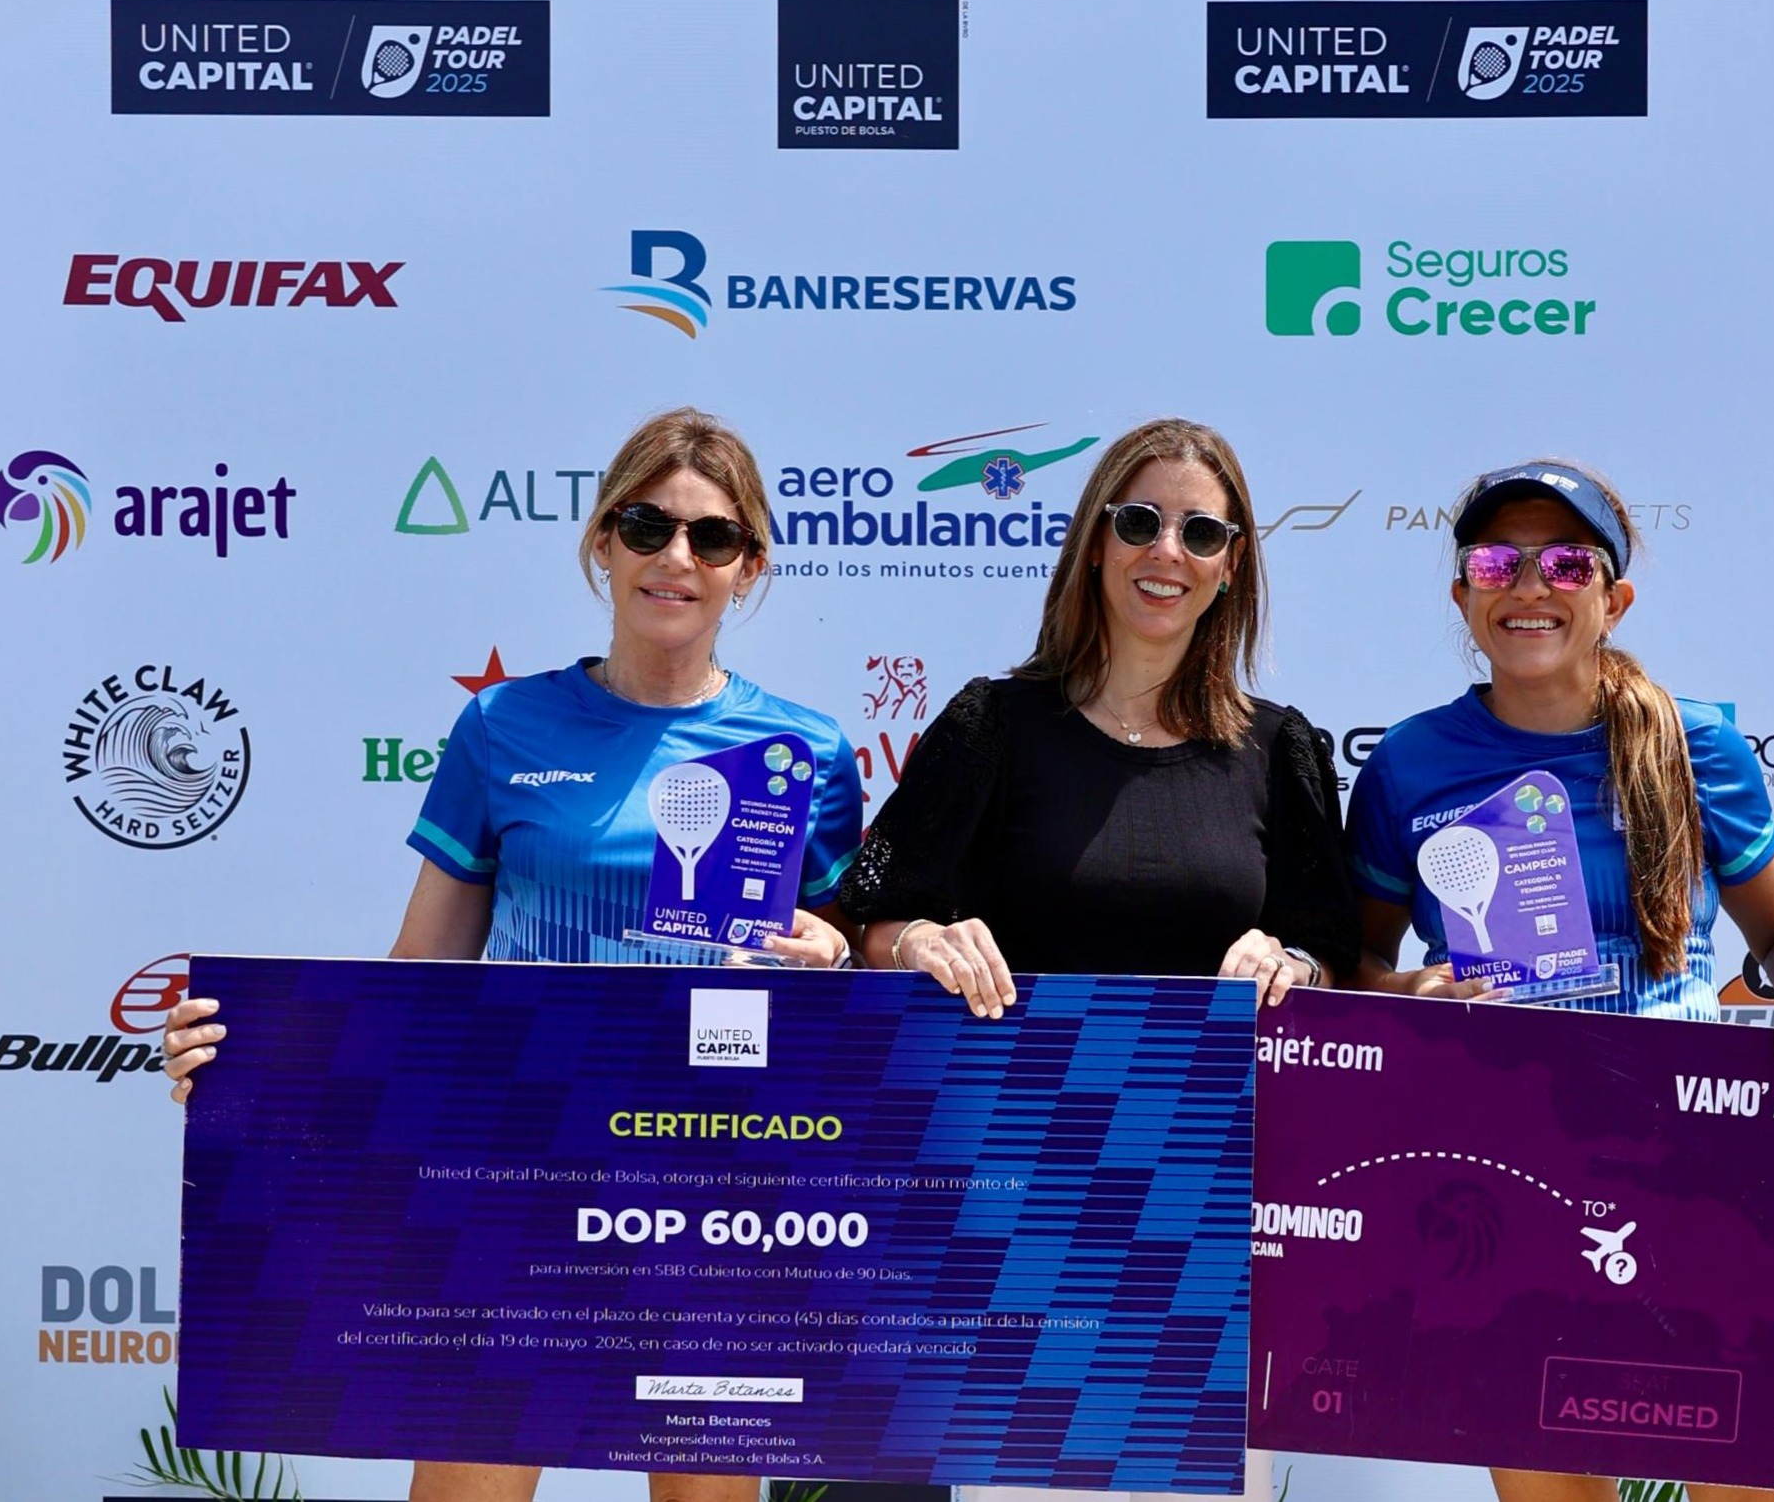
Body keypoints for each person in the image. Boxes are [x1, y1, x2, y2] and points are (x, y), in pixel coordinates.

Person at [163, 407, 865, 1502]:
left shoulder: (804, 750)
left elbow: (844, 985)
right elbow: (420, 970)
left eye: (712, 536)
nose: (676, 557)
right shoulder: (503, 726)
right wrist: (249, 1065)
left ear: (750, 566)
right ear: (602, 541)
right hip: (513, 1168)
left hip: (711, 1182)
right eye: (647, 525)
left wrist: (832, 954)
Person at [839, 415, 1357, 1502]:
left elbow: (1337, 956)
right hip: (999, 1217)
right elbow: (865, 917)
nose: (1167, 551)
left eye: (1201, 532)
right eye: (1139, 521)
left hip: (1206, 1228)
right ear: (1093, 539)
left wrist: (1292, 963)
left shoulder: (1280, 750)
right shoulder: (992, 723)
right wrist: (915, 939)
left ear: (1231, 567)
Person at [1345, 459, 1774, 1502]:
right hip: (1502, 1155)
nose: (1528, 584)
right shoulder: (1406, 762)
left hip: (1692, 1150)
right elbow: (1352, 963)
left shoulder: (1694, 741)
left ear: (1612, 598)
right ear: (1462, 594)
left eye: (1565, 563)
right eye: (1497, 561)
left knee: (1743, 1473)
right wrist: (1410, 996)